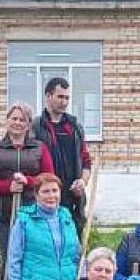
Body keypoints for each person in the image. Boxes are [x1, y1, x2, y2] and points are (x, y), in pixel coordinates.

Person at [0, 102, 54, 258]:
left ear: (28, 125)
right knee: (9, 256)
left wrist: (27, 181)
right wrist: (8, 187)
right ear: (7, 121)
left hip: (33, 212)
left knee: (31, 256)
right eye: (14, 118)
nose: (17, 123)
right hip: (4, 213)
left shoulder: (39, 148)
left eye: (22, 120)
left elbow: (48, 178)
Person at [32, 77, 92, 237]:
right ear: (48, 96)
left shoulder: (75, 127)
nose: (64, 102)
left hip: (73, 199)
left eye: (67, 98)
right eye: (60, 97)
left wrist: (83, 182)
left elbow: (86, 161)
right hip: (47, 198)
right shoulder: (36, 127)